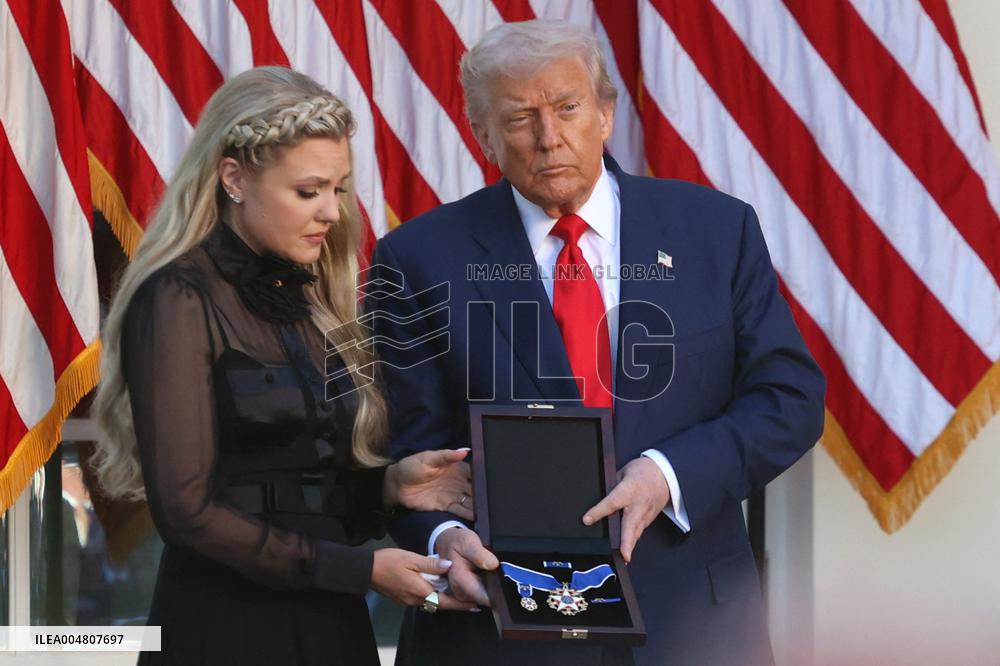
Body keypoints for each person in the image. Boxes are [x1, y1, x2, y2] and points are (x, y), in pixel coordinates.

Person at [368, 20, 826, 666]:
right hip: (502, 630)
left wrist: (667, 476)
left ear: (606, 114)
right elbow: (406, 454)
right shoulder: (416, 259)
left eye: (567, 108)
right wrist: (442, 538)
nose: (549, 138)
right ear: (483, 135)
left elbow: (790, 400)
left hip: (693, 623)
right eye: (521, 117)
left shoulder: (715, 232)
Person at [92, 66, 477, 666]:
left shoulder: (308, 298)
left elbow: (298, 489)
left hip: (331, 626)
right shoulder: (177, 297)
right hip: (223, 630)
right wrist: (361, 570)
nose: (330, 211)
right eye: (308, 191)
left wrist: (388, 486)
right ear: (234, 179)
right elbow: (188, 514)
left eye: (340, 189)